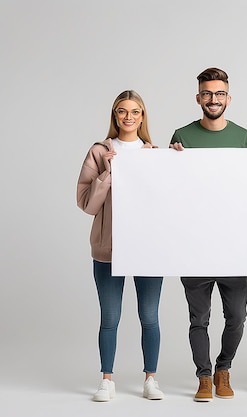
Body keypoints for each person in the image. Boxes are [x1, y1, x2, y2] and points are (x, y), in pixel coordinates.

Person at [170, 67, 247, 402]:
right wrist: (169, 162)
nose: (213, 99)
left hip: (234, 245)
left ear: (228, 98)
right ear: (198, 98)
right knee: (199, 319)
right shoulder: (182, 135)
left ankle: (223, 368)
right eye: (207, 93)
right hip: (195, 245)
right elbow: (171, 188)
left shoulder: (244, 137)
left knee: (237, 316)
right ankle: (204, 377)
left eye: (219, 94)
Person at [77, 90, 165, 402]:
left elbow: (166, 201)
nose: (128, 117)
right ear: (115, 116)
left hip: (147, 252)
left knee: (149, 317)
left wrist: (174, 162)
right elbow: (86, 203)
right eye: (122, 111)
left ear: (143, 116)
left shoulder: (154, 153)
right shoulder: (100, 152)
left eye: (135, 111)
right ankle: (107, 380)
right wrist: (108, 173)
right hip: (108, 250)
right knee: (110, 318)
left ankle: (150, 379)